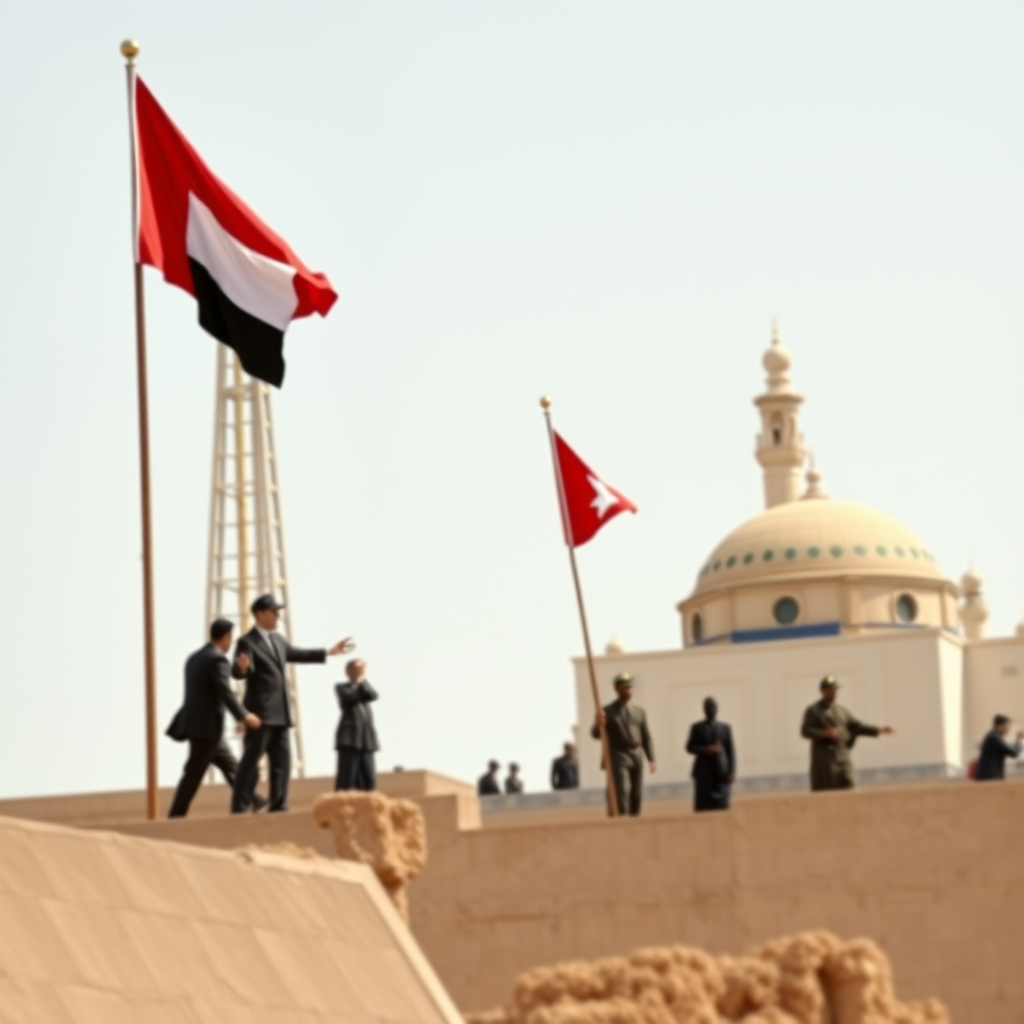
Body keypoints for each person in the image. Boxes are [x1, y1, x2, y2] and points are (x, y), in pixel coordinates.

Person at [231, 594, 354, 813]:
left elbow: (299, 653)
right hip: (259, 715)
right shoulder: (246, 642)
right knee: (251, 762)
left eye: (279, 611)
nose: (279, 615)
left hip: (281, 714)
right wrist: (241, 668)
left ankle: (278, 805)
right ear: (260, 614)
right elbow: (240, 670)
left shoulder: (278, 640)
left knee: (283, 762)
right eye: (274, 611)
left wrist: (329, 651)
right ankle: (239, 808)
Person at [166, 619, 261, 818]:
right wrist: (244, 715)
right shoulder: (217, 659)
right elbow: (225, 692)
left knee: (233, 768)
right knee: (193, 774)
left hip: (200, 727)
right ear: (226, 637)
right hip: (207, 728)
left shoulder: (194, 657)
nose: (231, 642)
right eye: (231, 638)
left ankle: (257, 802)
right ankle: (175, 816)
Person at [801, 676, 894, 792]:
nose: (833, 692)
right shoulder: (813, 710)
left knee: (849, 785)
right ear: (822, 690)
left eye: (835, 689)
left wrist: (879, 730)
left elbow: (857, 727)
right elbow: (805, 731)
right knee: (827, 794)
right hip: (825, 762)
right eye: (830, 689)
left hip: (843, 758)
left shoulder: (842, 710)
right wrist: (824, 733)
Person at [591, 672, 656, 816]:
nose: (627, 690)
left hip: (637, 753)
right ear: (617, 689)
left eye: (629, 687)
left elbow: (646, 736)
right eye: (624, 687)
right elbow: (595, 734)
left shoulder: (639, 711)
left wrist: (652, 759)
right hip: (618, 754)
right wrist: (598, 721)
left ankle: (634, 820)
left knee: (636, 793)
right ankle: (620, 820)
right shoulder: (608, 711)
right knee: (622, 789)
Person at [334, 659, 379, 791]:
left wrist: (363, 680)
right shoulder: (342, 687)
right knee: (346, 779)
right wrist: (357, 681)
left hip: (366, 740)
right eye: (357, 668)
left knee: (369, 780)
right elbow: (351, 697)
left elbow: (373, 696)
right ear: (348, 671)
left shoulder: (365, 688)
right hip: (349, 739)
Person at [685, 697, 736, 812]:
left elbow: (731, 751)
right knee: (703, 807)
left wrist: (732, 771)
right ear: (704, 709)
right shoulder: (697, 728)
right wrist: (707, 750)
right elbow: (689, 747)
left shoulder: (725, 728)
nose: (711, 709)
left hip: (721, 773)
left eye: (713, 707)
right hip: (704, 774)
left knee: (722, 807)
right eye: (708, 707)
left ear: (717, 709)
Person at [975, 715, 1024, 780]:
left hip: (989, 774)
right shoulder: (994, 737)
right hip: (990, 775)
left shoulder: (994, 736)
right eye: (1007, 726)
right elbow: (1013, 752)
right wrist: (1018, 740)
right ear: (1001, 725)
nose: (1008, 729)